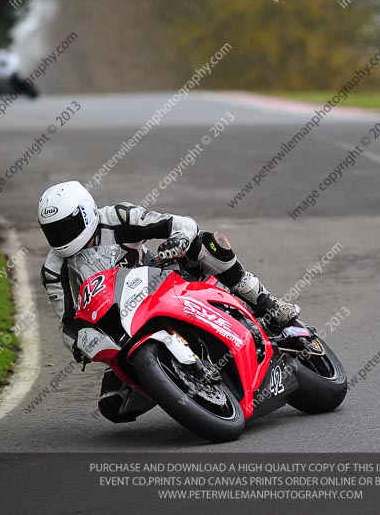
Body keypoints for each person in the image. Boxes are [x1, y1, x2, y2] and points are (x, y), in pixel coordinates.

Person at [37, 180, 300, 422]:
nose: (61, 236)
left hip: (162, 280)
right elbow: (67, 321)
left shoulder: (117, 217)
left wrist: (178, 240)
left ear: (85, 214)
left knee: (205, 243)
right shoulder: (53, 269)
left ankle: (268, 303)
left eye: (66, 227)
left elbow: (178, 223)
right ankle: (169, 381)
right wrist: (79, 343)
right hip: (122, 326)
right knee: (112, 405)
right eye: (53, 231)